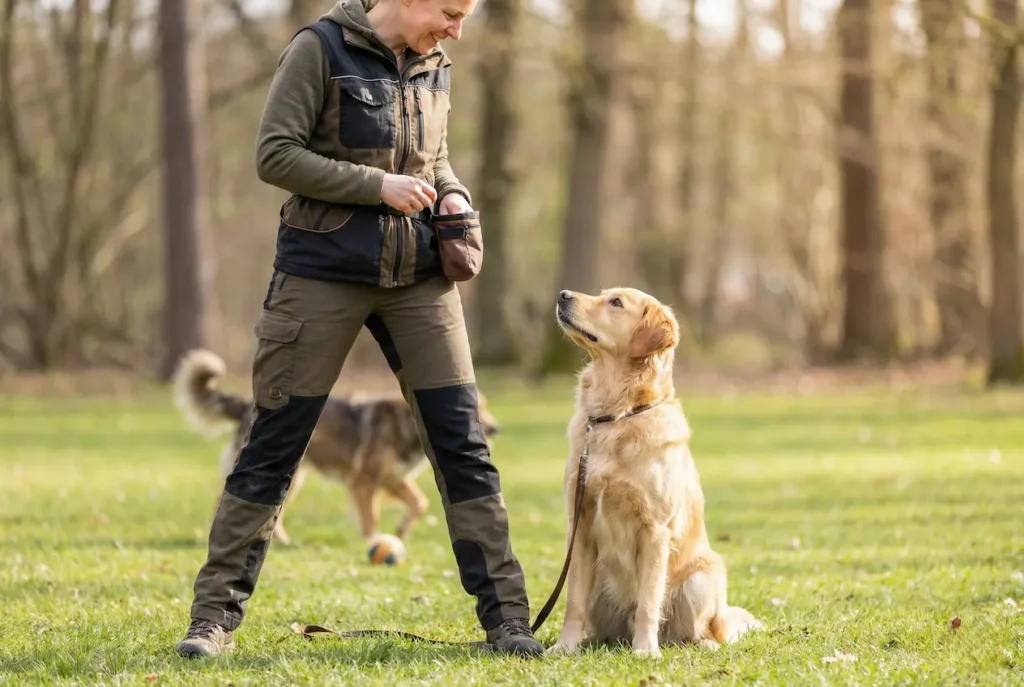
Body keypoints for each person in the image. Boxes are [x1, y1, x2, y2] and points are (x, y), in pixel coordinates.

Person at [173, 0, 543, 659]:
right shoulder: (318, 49)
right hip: (322, 273)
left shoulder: (437, 64)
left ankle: (508, 622)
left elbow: (436, 158)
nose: (458, 29)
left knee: (463, 444)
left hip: (420, 278)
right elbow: (274, 154)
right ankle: (212, 622)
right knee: (273, 441)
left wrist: (451, 192)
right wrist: (377, 185)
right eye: (451, 12)